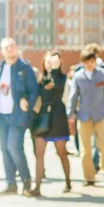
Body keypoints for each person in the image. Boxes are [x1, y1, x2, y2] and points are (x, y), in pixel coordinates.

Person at [67, 47, 104, 185]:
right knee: (85, 149)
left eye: (92, 61)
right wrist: (70, 114)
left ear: (95, 61)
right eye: (86, 62)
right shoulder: (78, 76)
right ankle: (89, 177)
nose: (89, 64)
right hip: (84, 116)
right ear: (82, 62)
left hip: (101, 114)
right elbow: (73, 96)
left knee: (103, 145)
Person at [0, 38, 39, 195]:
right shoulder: (0, 68)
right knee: (4, 149)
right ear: (2, 51)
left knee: (14, 147)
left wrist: (26, 102)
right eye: (6, 47)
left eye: (11, 46)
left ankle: (26, 182)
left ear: (16, 48)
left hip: (17, 115)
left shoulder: (24, 68)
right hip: (2, 115)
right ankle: (11, 184)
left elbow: (34, 90)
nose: (9, 49)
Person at [27, 52, 71, 197]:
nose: (50, 64)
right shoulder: (39, 79)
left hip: (57, 118)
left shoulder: (62, 77)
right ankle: (37, 187)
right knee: (39, 154)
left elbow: (57, 86)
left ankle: (68, 181)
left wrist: (54, 70)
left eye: (53, 61)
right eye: (48, 61)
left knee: (61, 152)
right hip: (42, 118)